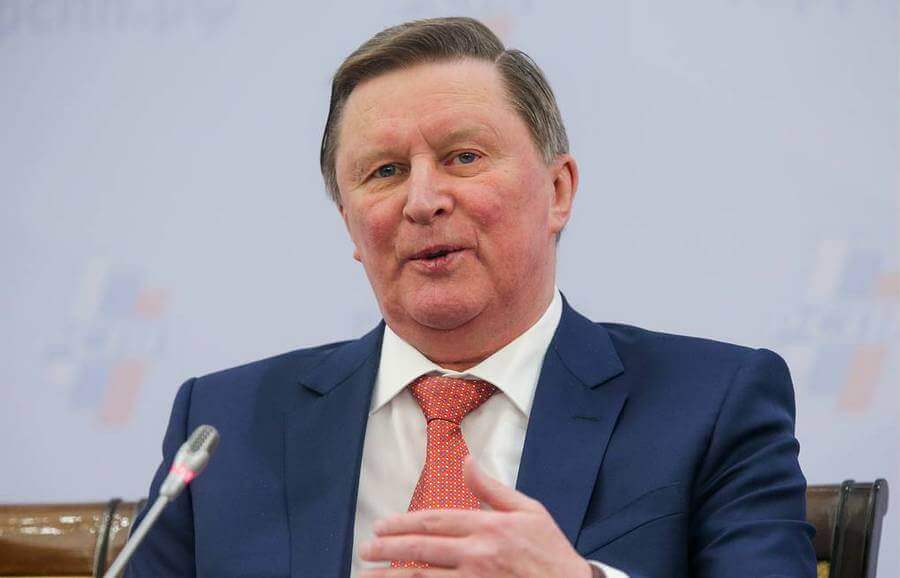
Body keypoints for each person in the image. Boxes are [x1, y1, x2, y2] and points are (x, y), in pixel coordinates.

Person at [125, 17, 817, 578]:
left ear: (558, 191)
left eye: (463, 157)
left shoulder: (711, 403)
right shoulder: (223, 425)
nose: (423, 201)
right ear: (350, 225)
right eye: (385, 171)